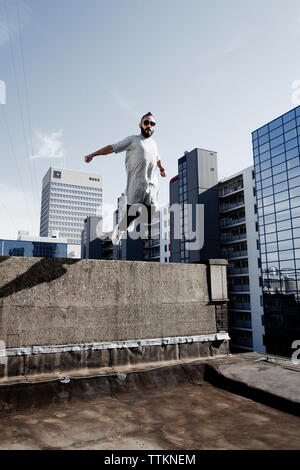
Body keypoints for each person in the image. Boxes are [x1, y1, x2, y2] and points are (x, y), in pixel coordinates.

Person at [84, 112, 166, 245]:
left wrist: (162, 169)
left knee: (150, 214)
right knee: (131, 213)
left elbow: (158, 158)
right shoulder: (133, 140)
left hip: (152, 185)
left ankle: (131, 219)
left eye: (152, 124)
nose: (149, 126)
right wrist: (93, 154)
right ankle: (120, 229)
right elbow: (112, 147)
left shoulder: (154, 144)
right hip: (136, 184)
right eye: (146, 123)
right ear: (140, 125)